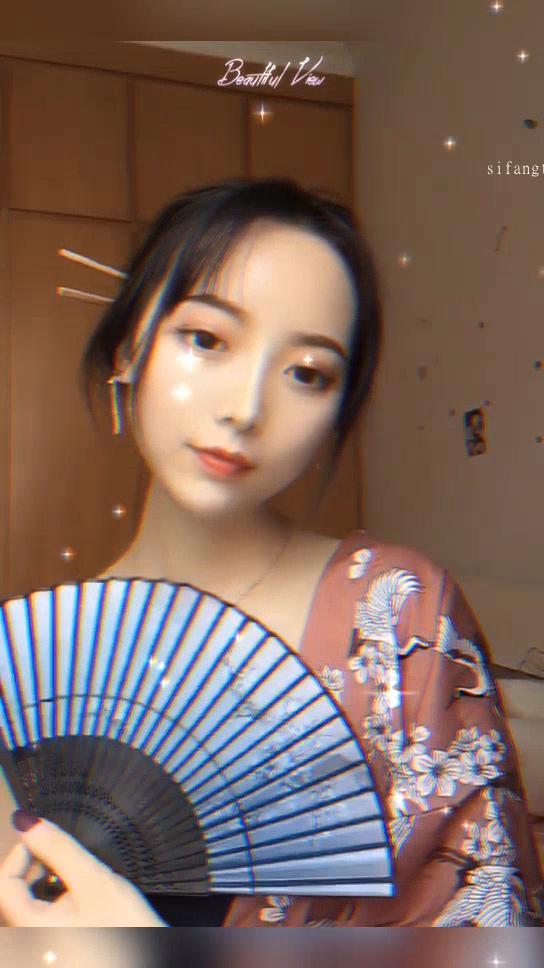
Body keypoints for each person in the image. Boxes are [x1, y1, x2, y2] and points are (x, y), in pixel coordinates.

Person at [0, 177, 541, 927]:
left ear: (336, 415)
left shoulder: (397, 614)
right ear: (130, 347)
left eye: (307, 374)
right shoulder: (30, 665)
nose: (246, 407)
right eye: (206, 340)